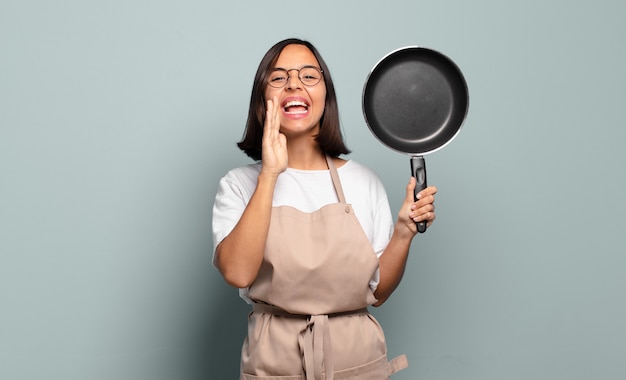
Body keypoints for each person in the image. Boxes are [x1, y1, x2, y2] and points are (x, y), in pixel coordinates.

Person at [212, 38, 437, 380]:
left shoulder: (364, 181)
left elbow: (377, 292)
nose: (293, 84)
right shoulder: (239, 184)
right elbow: (238, 273)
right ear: (263, 100)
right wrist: (270, 173)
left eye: (308, 75)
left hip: (357, 360)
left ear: (326, 96)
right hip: (274, 363)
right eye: (278, 77)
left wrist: (404, 233)